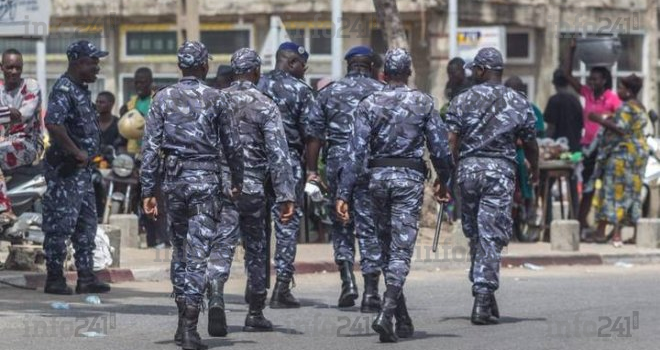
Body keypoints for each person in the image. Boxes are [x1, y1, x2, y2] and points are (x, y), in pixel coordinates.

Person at [336, 48, 453, 343]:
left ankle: (401, 317)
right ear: (409, 73)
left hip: (376, 181)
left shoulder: (369, 103)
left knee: (387, 249)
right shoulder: (423, 102)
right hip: (408, 181)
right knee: (400, 251)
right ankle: (387, 313)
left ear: (384, 74)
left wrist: (343, 193)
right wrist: (444, 180)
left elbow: (355, 152)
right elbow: (440, 149)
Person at [140, 41, 244, 350]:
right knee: (198, 254)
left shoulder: (162, 98)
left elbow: (150, 149)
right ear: (203, 66)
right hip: (205, 182)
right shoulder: (216, 98)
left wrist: (148, 189)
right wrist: (237, 179)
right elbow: (232, 146)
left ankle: (180, 321)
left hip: (174, 183)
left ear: (180, 66)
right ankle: (189, 327)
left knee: (180, 252)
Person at [445, 47, 539, 325]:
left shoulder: (462, 99)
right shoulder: (518, 101)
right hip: (499, 172)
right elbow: (531, 142)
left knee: (476, 233)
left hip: (469, 171)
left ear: (484, 69)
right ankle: (484, 297)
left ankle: (483, 289)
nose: (473, 73)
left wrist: (446, 174)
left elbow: (451, 140)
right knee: (489, 235)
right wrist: (534, 169)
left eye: (476, 69)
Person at [306, 45, 385, 311]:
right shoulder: (382, 92)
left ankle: (347, 281)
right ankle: (372, 291)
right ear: (372, 66)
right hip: (371, 164)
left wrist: (312, 172)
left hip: (338, 163)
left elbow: (314, 137)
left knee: (341, 223)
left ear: (348, 66)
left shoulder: (329, 93)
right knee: (370, 225)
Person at [223, 48, 296, 332]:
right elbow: (278, 154)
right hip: (253, 188)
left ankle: (216, 294)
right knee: (255, 249)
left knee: (220, 246)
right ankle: (255, 312)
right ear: (256, 72)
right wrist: (286, 195)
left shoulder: (217, 101)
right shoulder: (265, 104)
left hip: (221, 187)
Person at [42, 40, 112, 295]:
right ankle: (54, 278)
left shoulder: (80, 90)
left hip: (82, 172)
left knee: (86, 225)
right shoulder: (64, 89)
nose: (96, 67)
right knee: (60, 226)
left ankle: (86, 277)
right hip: (66, 171)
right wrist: (75, 151)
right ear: (78, 62)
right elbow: (53, 123)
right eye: (93, 62)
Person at [257, 41, 315, 308]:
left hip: (255, 162)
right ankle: (281, 287)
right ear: (292, 63)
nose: (304, 71)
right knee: (286, 223)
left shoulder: (256, 84)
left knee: (255, 224)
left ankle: (254, 284)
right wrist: (312, 170)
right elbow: (313, 135)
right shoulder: (301, 90)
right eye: (302, 65)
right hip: (288, 160)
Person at [563, 39, 622, 239]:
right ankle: (579, 227)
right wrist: (571, 51)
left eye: (595, 79)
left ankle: (604, 230)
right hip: (588, 147)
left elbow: (620, 122)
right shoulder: (587, 93)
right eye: (590, 78)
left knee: (606, 189)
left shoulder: (611, 98)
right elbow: (567, 75)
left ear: (604, 80)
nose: (591, 82)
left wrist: (604, 120)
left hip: (606, 149)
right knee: (587, 189)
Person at [588, 74, 649, 247]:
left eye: (621, 88)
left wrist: (599, 119)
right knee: (633, 193)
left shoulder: (627, 108)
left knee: (613, 192)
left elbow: (621, 130)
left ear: (629, 91)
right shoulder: (640, 107)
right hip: (638, 155)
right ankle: (633, 234)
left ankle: (612, 234)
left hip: (623, 155)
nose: (618, 91)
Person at [121, 67, 168, 248]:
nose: (139, 85)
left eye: (143, 82)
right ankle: (149, 239)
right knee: (140, 200)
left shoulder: (158, 101)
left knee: (158, 199)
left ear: (150, 82)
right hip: (135, 158)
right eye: (136, 82)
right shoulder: (129, 105)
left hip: (156, 158)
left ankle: (163, 238)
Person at [0, 48, 43, 222]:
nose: (14, 72)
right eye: (10, 67)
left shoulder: (31, 86)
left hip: (28, 144)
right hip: (5, 143)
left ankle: (4, 210)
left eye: (18, 68)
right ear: (1, 67)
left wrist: (9, 113)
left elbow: (21, 115)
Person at [94, 91, 126, 221]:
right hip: (93, 165)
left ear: (111, 104)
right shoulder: (91, 123)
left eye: (102, 102)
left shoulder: (119, 124)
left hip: (114, 165)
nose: (98, 104)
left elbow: (123, 144)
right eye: (97, 102)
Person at [544, 69, 584, 153]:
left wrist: (544, 143)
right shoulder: (576, 101)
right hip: (575, 149)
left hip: (557, 149)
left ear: (554, 83)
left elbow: (551, 128)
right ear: (568, 83)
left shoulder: (553, 101)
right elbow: (581, 125)